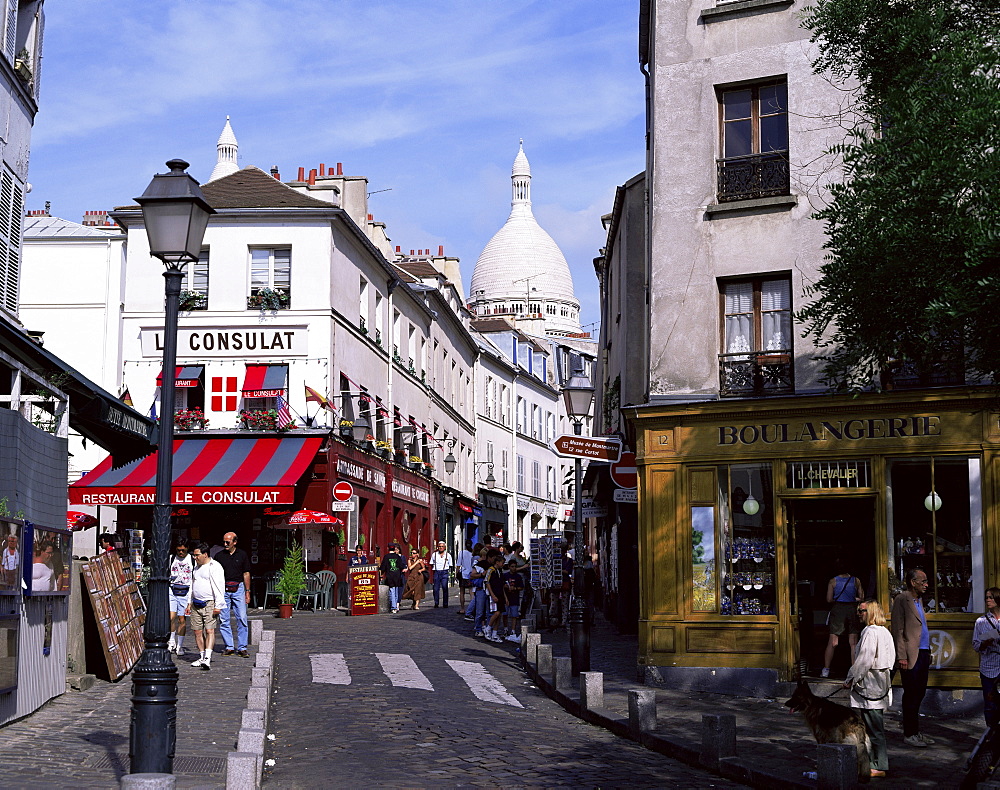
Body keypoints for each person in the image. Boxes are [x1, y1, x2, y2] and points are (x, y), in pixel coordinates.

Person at [843, 599, 895, 778]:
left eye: (862, 611)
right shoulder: (884, 632)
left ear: (871, 612)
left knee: (872, 727)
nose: (859, 614)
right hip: (878, 684)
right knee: (872, 726)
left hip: (871, 685)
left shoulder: (870, 632)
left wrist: (851, 678)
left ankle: (878, 764)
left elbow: (864, 660)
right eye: (859, 610)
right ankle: (873, 763)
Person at [891, 567, 935, 747]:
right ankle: (909, 733)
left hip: (923, 652)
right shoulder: (902, 599)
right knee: (911, 694)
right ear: (912, 582)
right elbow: (898, 629)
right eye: (922, 581)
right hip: (910, 654)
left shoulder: (919, 600)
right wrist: (901, 656)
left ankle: (916, 731)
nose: (926, 584)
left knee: (920, 693)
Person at [187, 542, 226, 670]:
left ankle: (208, 657)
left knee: (210, 630)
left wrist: (218, 605)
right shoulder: (196, 567)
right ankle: (202, 656)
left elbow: (220, 587)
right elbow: (192, 585)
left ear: (205, 554)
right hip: (196, 602)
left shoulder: (215, 566)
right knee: (197, 631)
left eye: (197, 555)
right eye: (194, 555)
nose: (195, 557)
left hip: (210, 602)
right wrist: (189, 602)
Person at [822, 563, 865, 678]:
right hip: (852, 609)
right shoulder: (856, 580)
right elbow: (862, 597)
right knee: (853, 642)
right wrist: (852, 598)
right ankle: (854, 671)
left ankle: (826, 669)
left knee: (833, 641)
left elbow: (829, 599)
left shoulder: (833, 581)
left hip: (838, 609)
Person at [214, 532, 251, 658]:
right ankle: (229, 646)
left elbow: (246, 573)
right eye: (224, 542)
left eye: (227, 542)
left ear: (234, 542)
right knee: (224, 619)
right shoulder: (219, 556)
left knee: (242, 617)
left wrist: (247, 591)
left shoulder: (242, 555)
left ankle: (242, 647)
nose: (225, 544)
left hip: (239, 587)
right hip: (223, 589)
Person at [973, 587, 1000, 727]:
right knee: (990, 704)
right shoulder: (981, 621)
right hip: (989, 667)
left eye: (991, 597)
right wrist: (985, 642)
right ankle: (991, 738)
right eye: (986, 598)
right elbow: (976, 645)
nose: (988, 600)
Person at [168, 539, 194, 656]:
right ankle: (172, 641)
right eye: (179, 550)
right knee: (171, 616)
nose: (181, 553)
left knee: (182, 619)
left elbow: (194, 579)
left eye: (183, 550)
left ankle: (180, 645)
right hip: (172, 589)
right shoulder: (172, 558)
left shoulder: (191, 560)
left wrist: (190, 600)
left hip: (186, 591)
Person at [484, 551, 507, 643]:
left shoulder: (500, 571)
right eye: (502, 562)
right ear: (497, 562)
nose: (503, 564)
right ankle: (488, 628)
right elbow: (487, 582)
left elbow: (501, 585)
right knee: (496, 613)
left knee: (499, 614)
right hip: (494, 594)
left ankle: (495, 633)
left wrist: (505, 597)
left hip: (500, 594)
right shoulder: (491, 570)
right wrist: (492, 595)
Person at [380, 543, 406, 613]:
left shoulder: (386, 557)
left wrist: (382, 575)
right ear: (394, 549)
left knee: (392, 590)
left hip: (390, 575)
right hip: (397, 575)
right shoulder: (397, 556)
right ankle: (396, 606)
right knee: (396, 590)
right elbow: (401, 566)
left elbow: (383, 567)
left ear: (388, 548)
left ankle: (393, 607)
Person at [503, 559, 525, 642]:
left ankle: (513, 630)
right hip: (506, 597)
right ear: (509, 567)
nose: (514, 568)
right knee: (505, 614)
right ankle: (505, 628)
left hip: (514, 597)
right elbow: (502, 585)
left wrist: (515, 588)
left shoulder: (518, 577)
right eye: (512, 566)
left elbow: (521, 587)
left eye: (515, 567)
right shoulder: (505, 576)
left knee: (514, 615)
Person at [429, 540, 453, 608]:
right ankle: (436, 602)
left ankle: (445, 603)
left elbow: (450, 565)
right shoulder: (434, 555)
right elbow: (431, 563)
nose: (441, 548)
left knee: (445, 588)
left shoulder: (448, 555)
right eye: (439, 546)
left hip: (444, 572)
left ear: (445, 547)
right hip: (436, 572)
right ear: (438, 547)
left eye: (442, 546)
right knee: (436, 588)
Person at [457, 540, 475, 609]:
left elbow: (458, 565)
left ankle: (462, 608)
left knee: (462, 592)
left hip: (463, 574)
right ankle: (472, 608)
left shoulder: (461, 553)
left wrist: (456, 573)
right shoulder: (472, 553)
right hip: (470, 574)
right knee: (471, 592)